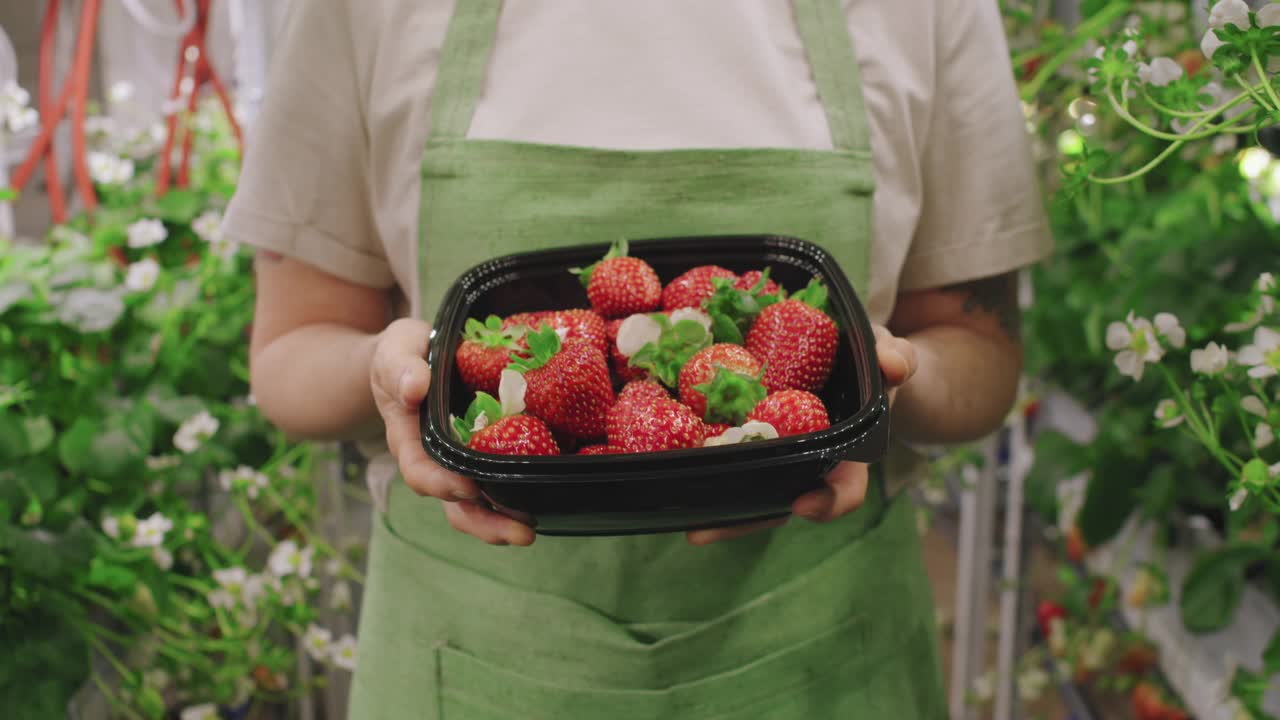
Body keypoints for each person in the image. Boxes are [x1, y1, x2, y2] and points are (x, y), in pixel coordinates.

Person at [228, 0, 1052, 717]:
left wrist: (884, 376)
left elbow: (978, 352)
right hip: (476, 649)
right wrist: (396, 371)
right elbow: (292, 351)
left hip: (824, 644)